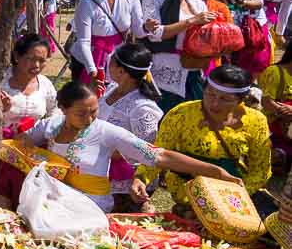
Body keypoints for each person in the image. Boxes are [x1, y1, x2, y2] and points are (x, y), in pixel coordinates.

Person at [16, 81, 242, 213]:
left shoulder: (105, 131)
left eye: (94, 110)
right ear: (63, 109)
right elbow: (23, 141)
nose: (90, 118)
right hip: (54, 199)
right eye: (81, 113)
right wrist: (30, 150)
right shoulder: (51, 126)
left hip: (89, 207)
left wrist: (215, 171)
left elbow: (159, 156)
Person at [136, 64, 272, 209]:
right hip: (188, 196)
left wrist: (236, 196)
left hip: (232, 200)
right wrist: (141, 178)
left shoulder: (256, 121)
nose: (215, 103)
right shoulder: (181, 114)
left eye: (225, 99)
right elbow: (158, 151)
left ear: (241, 99)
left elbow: (260, 171)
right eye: (210, 94)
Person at [98, 43, 165, 209]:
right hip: (101, 171)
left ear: (121, 71)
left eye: (111, 62)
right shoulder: (112, 89)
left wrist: (112, 151)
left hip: (127, 186)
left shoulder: (142, 108)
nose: (108, 65)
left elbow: (148, 150)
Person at [142, 0, 214, 111]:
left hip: (193, 69)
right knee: (165, 113)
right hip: (165, 69)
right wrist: (192, 20)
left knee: (193, 114)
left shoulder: (198, 4)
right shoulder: (155, 1)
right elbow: (156, 34)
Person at [69, 0, 148, 88]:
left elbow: (139, 31)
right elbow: (84, 42)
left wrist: (148, 27)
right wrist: (92, 71)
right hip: (88, 59)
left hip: (116, 59)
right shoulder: (86, 3)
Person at [0, 33, 59, 137]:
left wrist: (47, 131)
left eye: (42, 60)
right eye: (31, 59)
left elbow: (55, 111)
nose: (36, 65)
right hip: (0, 144)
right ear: (16, 56)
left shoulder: (45, 85)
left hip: (34, 146)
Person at [259, 45, 292, 175]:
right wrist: (285, 111)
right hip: (273, 125)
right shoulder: (275, 72)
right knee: (279, 157)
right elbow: (267, 102)